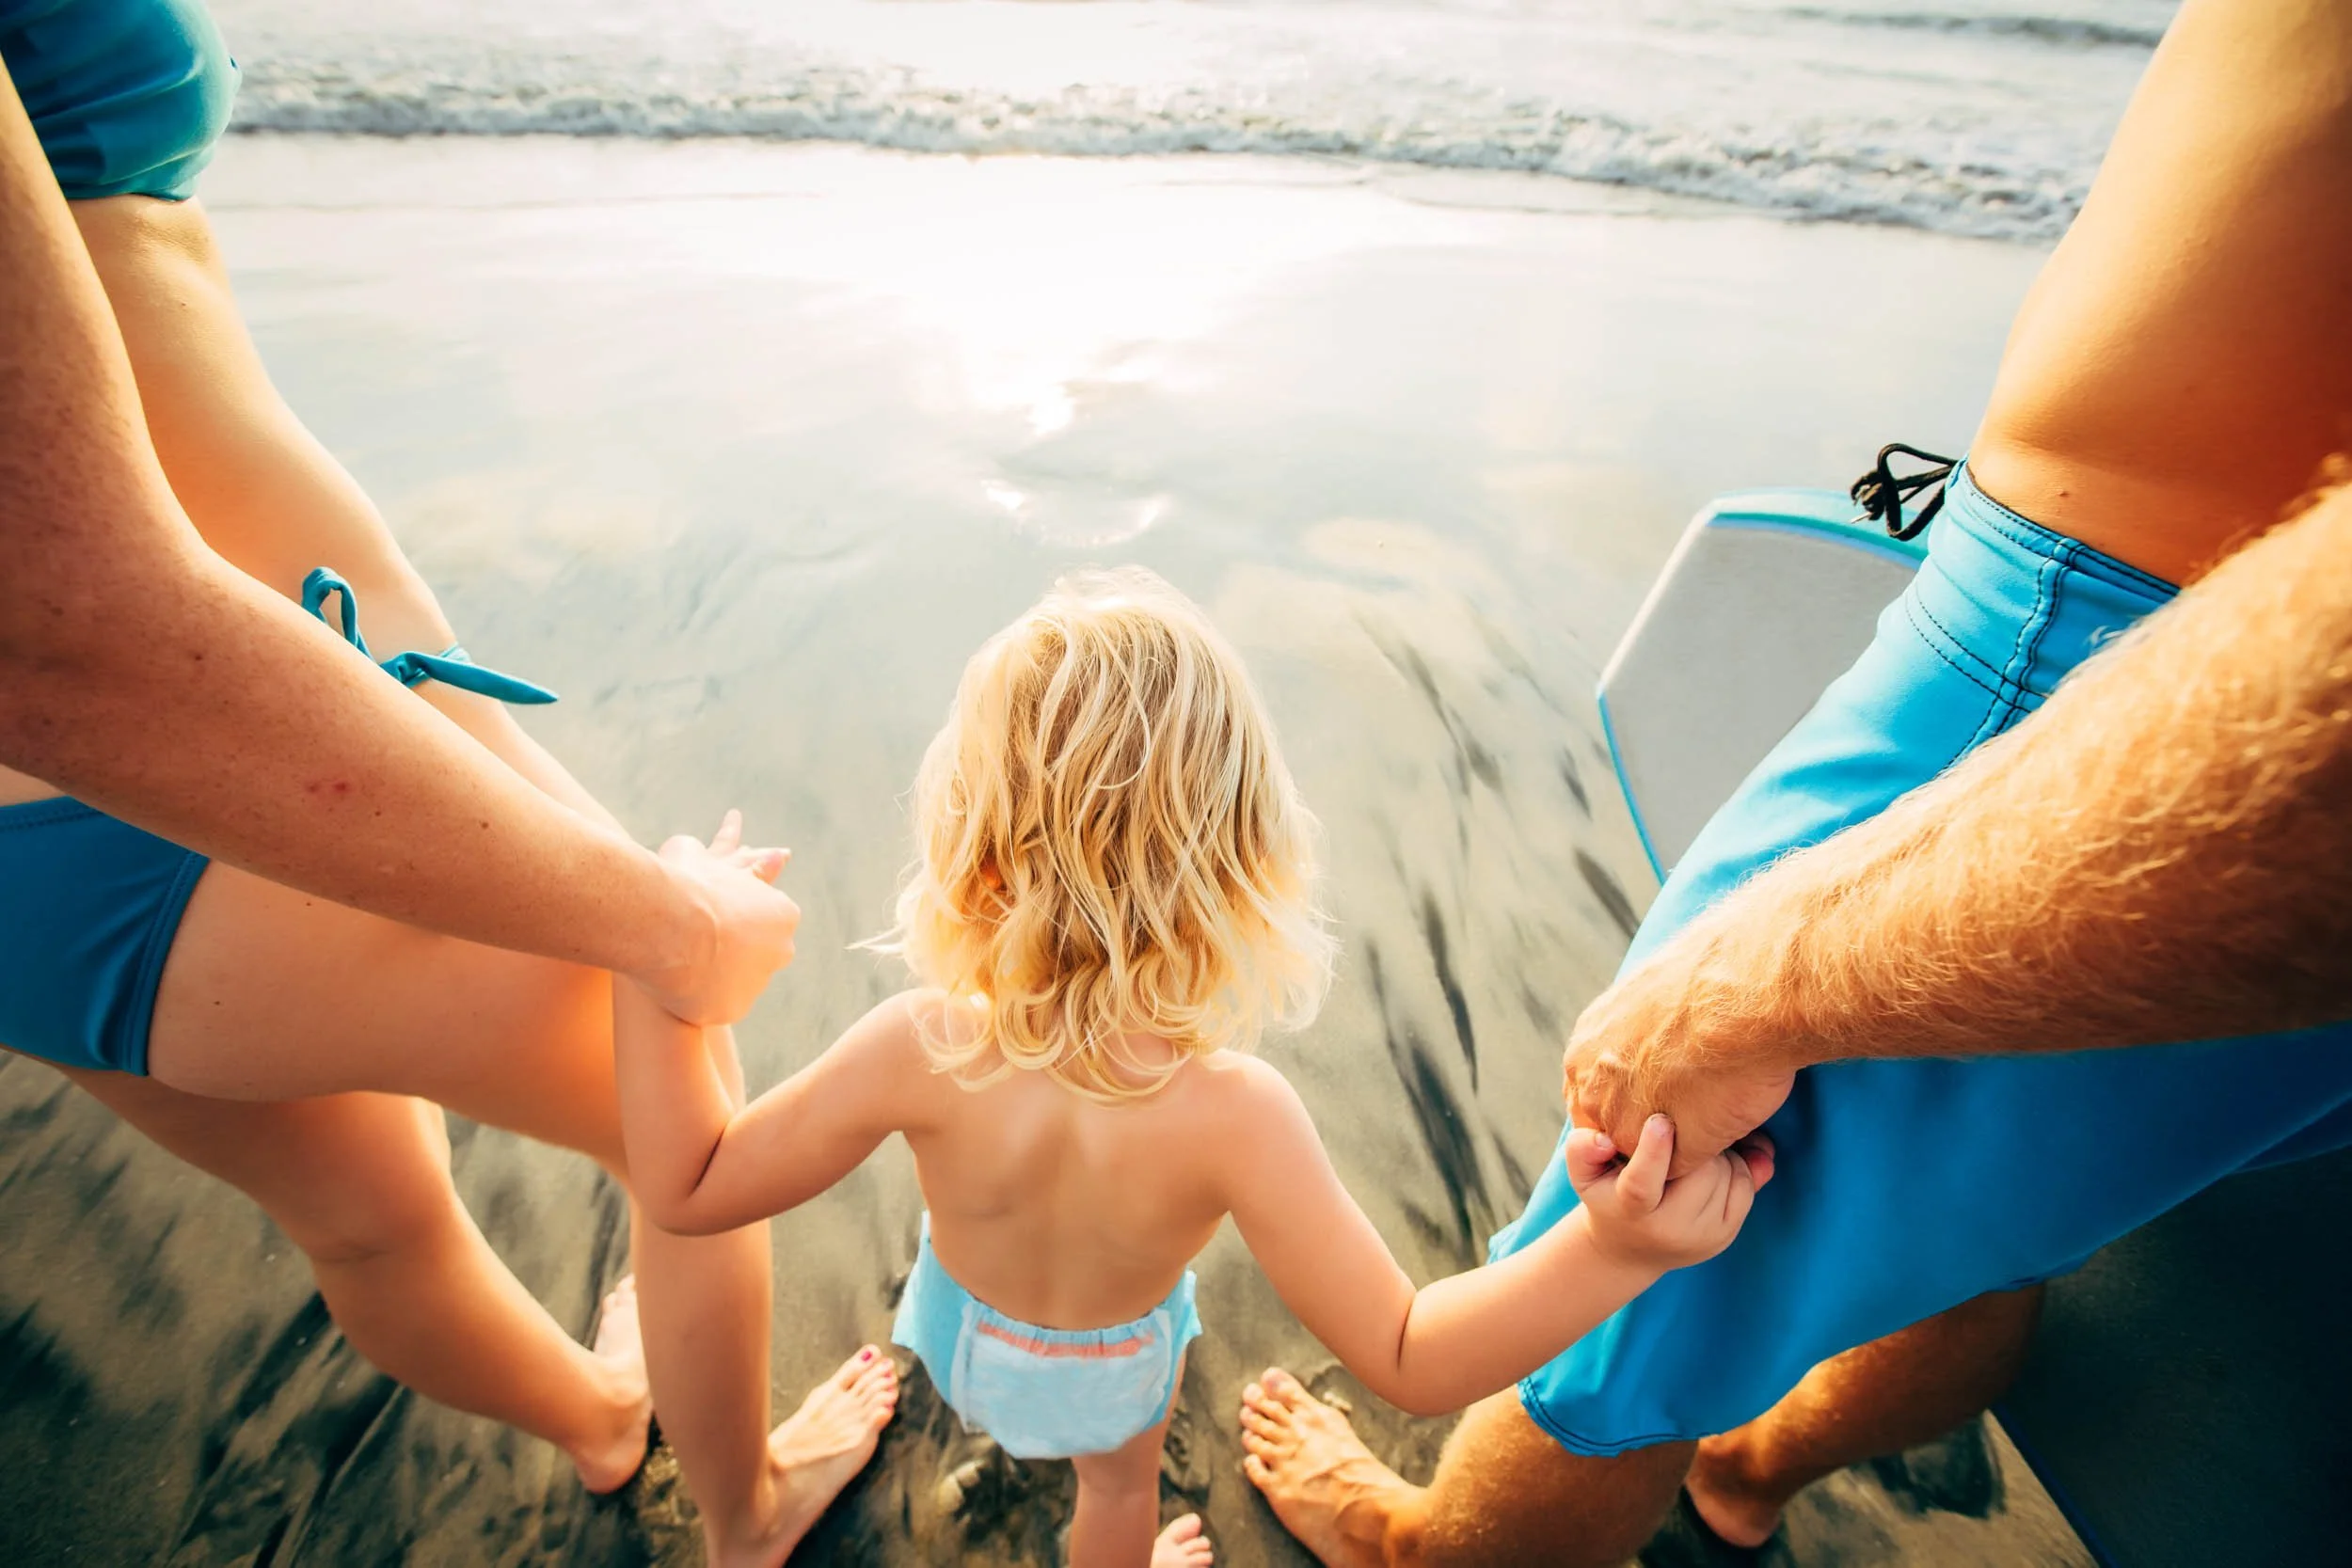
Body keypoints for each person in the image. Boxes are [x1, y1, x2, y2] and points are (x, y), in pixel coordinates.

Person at [1237, 0, 2352, 1560]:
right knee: (1992, 1230)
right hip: (2189, 644)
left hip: (2142, 678)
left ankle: (1429, 1545)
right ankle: (1750, 1468)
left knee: (1628, 1284)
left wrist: (1756, 985)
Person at [0, 3, 888, 1555]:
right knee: (682, 1132)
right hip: (215, 740)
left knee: (367, 1219)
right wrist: (663, 921)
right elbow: (69, 627)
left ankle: (607, 1419)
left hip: (52, 874)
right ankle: (747, 1518)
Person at [609, 570, 1773, 1568]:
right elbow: (1412, 1356)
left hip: (961, 1342)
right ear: (1241, 864)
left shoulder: (923, 1043)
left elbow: (692, 1186)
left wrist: (663, 974)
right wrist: (1610, 1244)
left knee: (1059, 1437)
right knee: (1118, 1494)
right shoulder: (1237, 1114)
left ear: (971, 844)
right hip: (1116, 1367)